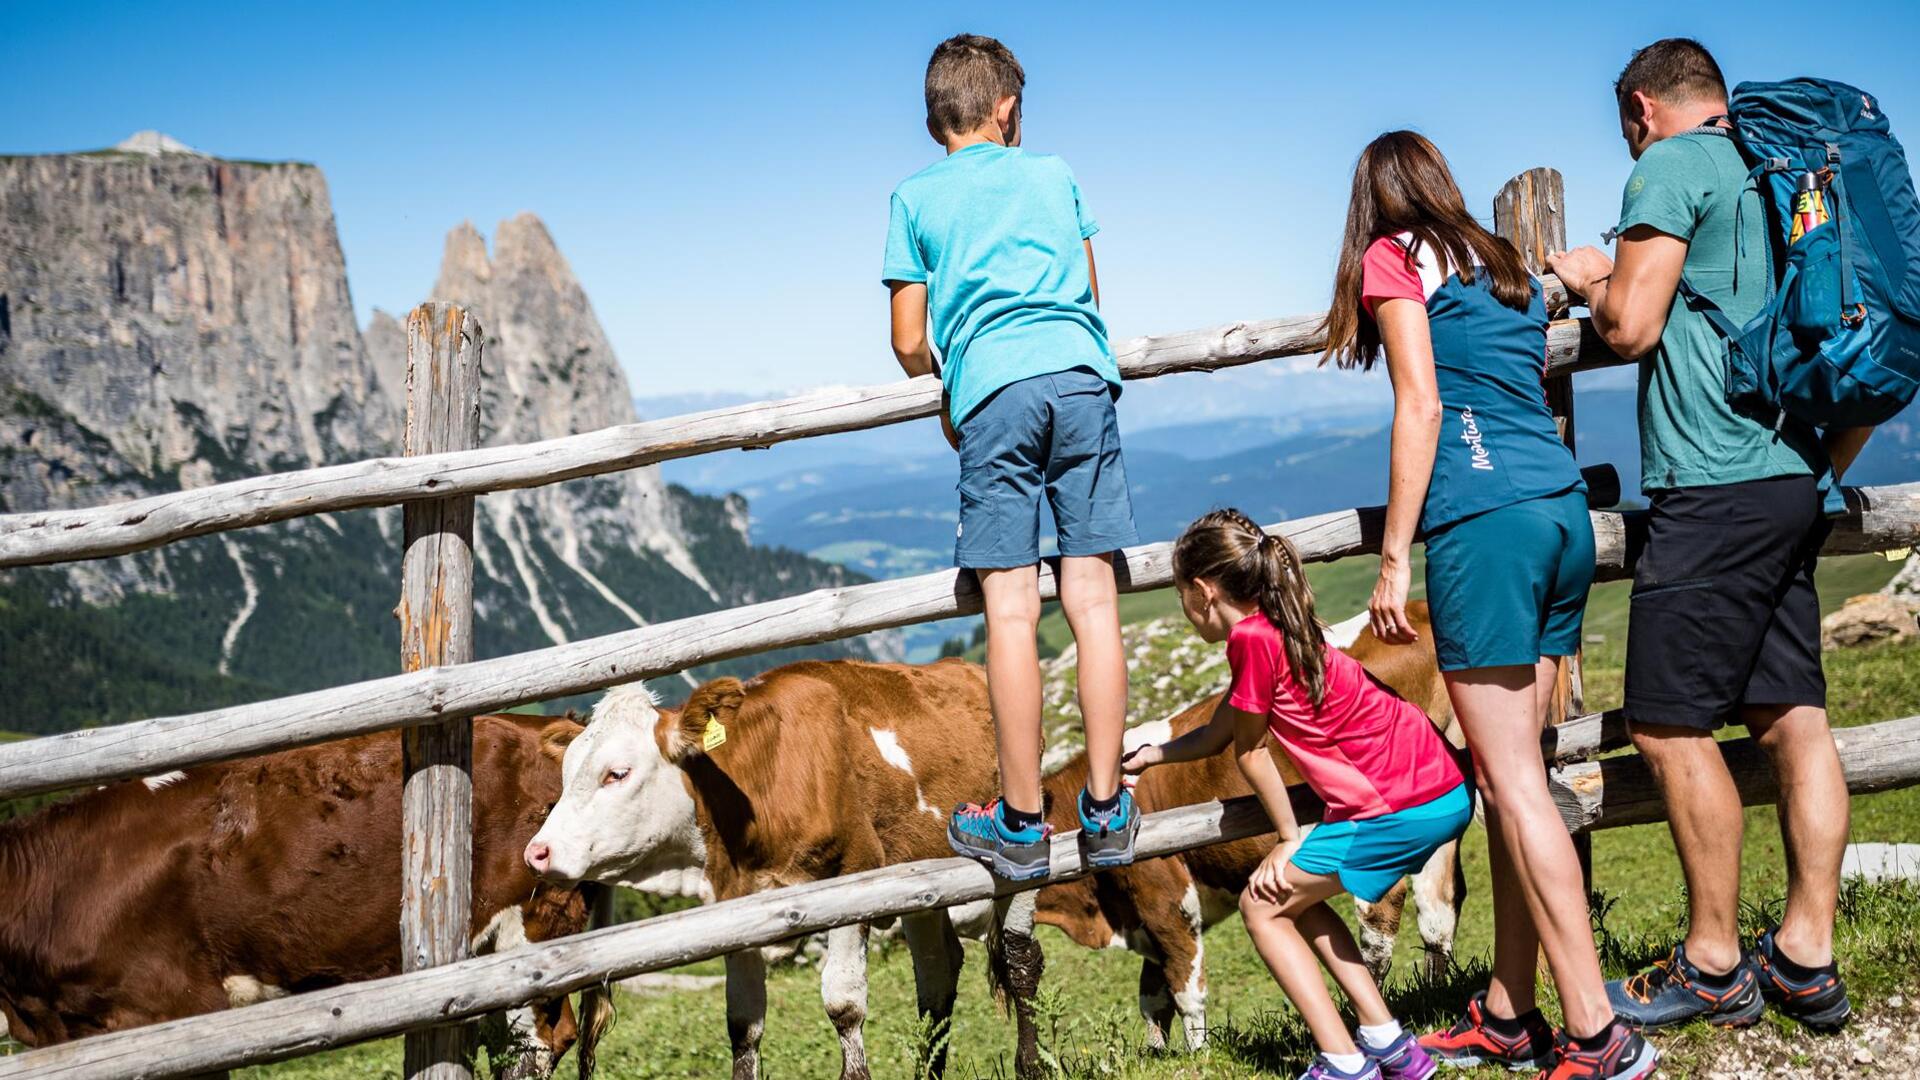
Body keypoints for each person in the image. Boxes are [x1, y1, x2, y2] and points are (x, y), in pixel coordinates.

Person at [1548, 37, 1874, 1033]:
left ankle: (1714, 960)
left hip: (1714, 483)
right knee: (1790, 715)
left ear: (1644, 108)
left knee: (1668, 722)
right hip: (1794, 473)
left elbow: (1636, 325)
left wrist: (1588, 274)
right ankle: (1808, 958)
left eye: (1626, 129)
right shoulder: (1786, 171)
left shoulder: (1675, 163)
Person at [1323, 131, 1656, 1079]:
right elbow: (1560, 295)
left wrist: (1394, 556)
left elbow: (1420, 406)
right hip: (1559, 515)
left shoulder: (1395, 258)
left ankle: (1597, 1032)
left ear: (1373, 202)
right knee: (1521, 778)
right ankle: (1512, 1010)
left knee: (1510, 785)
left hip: (1486, 524)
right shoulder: (1502, 260)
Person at [882, 33, 1138, 880]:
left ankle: (1024, 825)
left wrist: (949, 379)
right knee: (1094, 600)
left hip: (994, 394)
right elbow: (1090, 295)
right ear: (1008, 108)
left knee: (1013, 614)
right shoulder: (1055, 175)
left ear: (933, 122)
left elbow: (909, 340)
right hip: (1080, 380)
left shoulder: (914, 199)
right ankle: (1106, 811)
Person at [1124, 509, 1468, 1080]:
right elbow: (1223, 729)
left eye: (1181, 594)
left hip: (1396, 805)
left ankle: (1342, 1060)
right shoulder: (1283, 625)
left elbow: (1250, 751)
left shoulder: (1250, 642)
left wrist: (1286, 839)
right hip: (1438, 787)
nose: (1183, 610)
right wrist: (1156, 755)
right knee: (1296, 901)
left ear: (1205, 592)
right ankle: (1390, 1046)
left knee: (1262, 905)